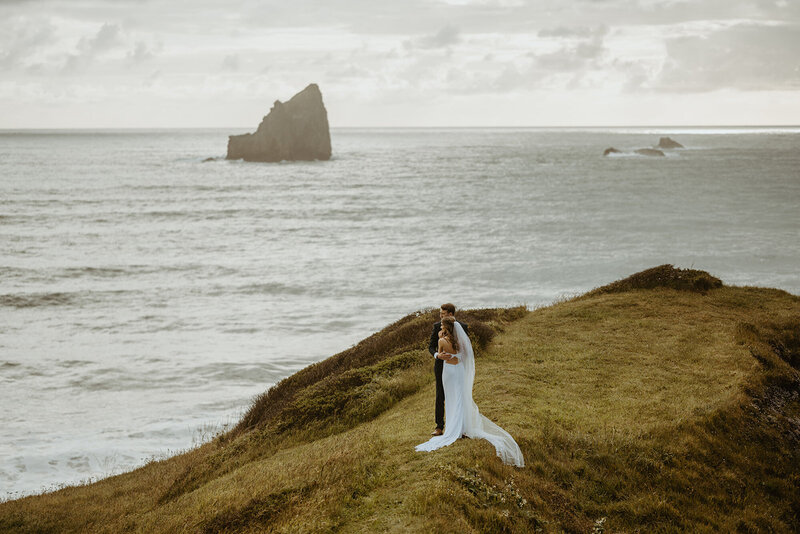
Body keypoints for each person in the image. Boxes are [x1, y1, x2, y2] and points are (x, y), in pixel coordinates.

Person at [416, 316, 524, 467]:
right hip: (459, 369)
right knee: (461, 397)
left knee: (451, 398)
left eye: (442, 325)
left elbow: (440, 356)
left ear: (446, 328)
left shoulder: (441, 341)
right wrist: (456, 357)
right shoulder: (460, 341)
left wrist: (442, 344)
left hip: (448, 372)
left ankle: (454, 428)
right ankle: (463, 427)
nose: (440, 327)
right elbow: (465, 355)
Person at [428, 303, 469, 436]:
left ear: (450, 314)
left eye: (443, 314)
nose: (440, 317)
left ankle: (460, 425)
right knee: (440, 395)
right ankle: (439, 426)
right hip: (441, 366)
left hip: (457, 366)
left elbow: (465, 348)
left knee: (459, 394)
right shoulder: (436, 327)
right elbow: (430, 346)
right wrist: (437, 355)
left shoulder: (463, 327)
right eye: (440, 314)